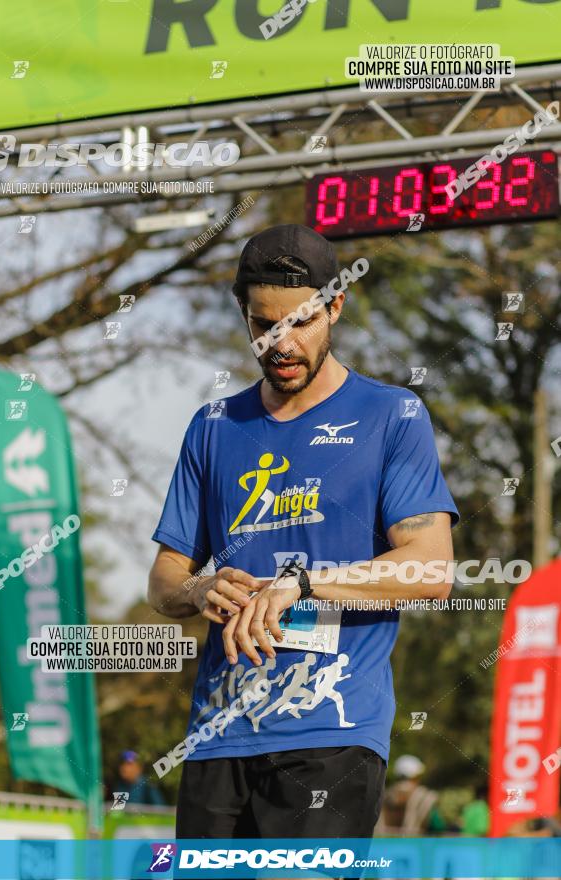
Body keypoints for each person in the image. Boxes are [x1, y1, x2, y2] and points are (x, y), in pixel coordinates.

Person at [149, 223, 459, 841]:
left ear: (336, 305)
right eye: (263, 325)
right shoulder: (212, 426)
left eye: (300, 321)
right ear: (243, 313)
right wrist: (197, 591)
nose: (280, 342)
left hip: (332, 736)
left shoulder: (391, 416)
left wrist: (300, 585)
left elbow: (431, 570)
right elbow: (164, 581)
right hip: (215, 738)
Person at [379, 754, 447, 835]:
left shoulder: (384, 795)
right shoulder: (425, 797)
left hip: (385, 845)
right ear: (415, 776)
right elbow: (438, 826)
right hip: (413, 845)